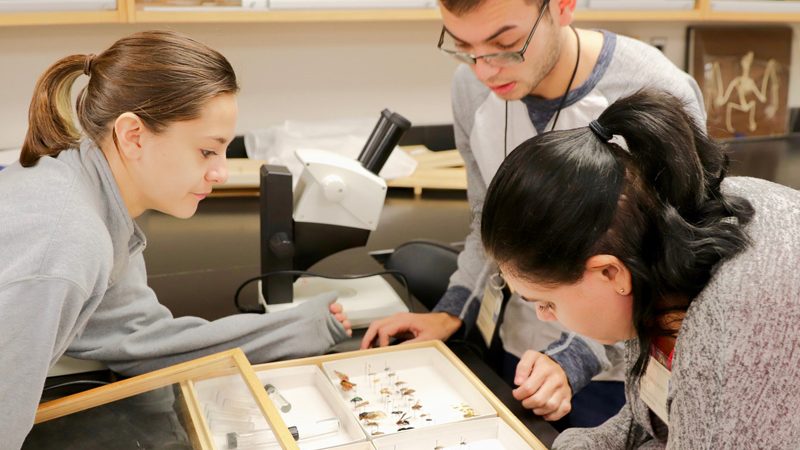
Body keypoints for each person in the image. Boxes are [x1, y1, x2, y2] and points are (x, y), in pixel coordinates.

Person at [0, 30, 352, 449]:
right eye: (207, 152)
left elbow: (140, 339)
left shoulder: (93, 188)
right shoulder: (67, 241)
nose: (221, 173)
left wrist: (300, 326)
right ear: (133, 136)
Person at [362, 0, 705, 428]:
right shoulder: (471, 90)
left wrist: (575, 357)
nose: (485, 70)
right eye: (464, 48)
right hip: (519, 352)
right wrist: (453, 309)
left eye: (506, 44)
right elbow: (485, 221)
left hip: (619, 376)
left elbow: (672, 269)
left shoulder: (654, 89)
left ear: (563, 7)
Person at [481, 89, 800, 448]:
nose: (543, 316)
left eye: (547, 302)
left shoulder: (729, 333)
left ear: (610, 274)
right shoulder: (651, 244)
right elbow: (660, 410)